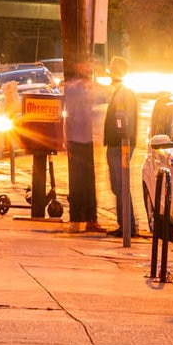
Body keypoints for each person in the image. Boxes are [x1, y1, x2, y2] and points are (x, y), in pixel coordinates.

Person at [61, 57, 103, 230]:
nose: (88, 68)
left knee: (90, 181)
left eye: (91, 65)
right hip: (77, 139)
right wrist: (66, 141)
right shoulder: (72, 89)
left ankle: (91, 219)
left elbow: (99, 113)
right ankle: (76, 219)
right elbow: (67, 116)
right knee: (77, 181)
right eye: (86, 64)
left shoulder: (94, 89)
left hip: (91, 140)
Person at [103, 57, 140, 245]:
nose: (108, 72)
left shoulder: (124, 93)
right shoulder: (120, 92)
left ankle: (127, 226)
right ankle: (126, 224)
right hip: (118, 144)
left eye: (111, 69)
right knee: (119, 186)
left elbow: (125, 121)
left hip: (120, 145)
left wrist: (124, 139)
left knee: (121, 185)